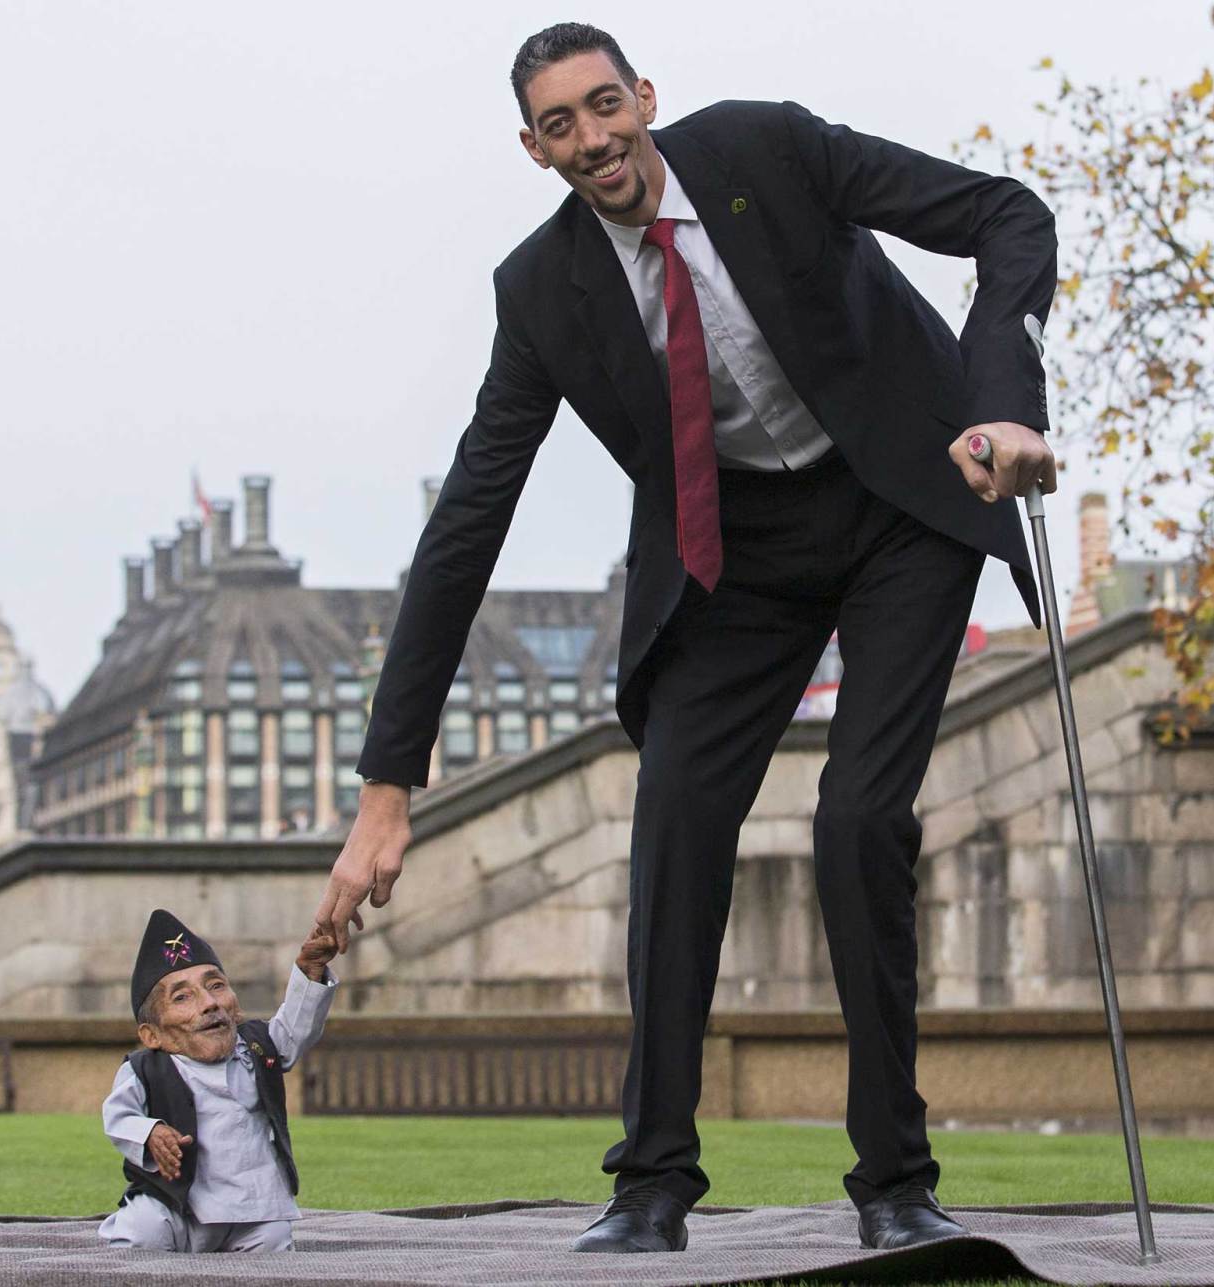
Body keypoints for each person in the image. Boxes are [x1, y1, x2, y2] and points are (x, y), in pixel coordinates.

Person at [315, 21, 1058, 1255]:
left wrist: (999, 403)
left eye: (604, 106)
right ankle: (650, 1179)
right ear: (531, 148)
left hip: (898, 503)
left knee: (857, 819)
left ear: (642, 97)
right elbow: (465, 526)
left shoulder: (767, 145)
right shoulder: (540, 290)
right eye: (559, 124)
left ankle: (892, 1183)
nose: (594, 138)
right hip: (734, 560)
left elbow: (1006, 215)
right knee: (669, 825)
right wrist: (387, 785)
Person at [98, 909, 338, 1253]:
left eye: (216, 986)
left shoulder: (257, 1046)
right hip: (178, 1206)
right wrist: (149, 1132)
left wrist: (310, 975)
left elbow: (296, 1027)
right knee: (143, 1231)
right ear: (152, 1035)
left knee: (273, 1245)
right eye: (182, 997)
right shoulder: (145, 1069)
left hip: (253, 1208)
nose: (210, 1004)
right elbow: (118, 1117)